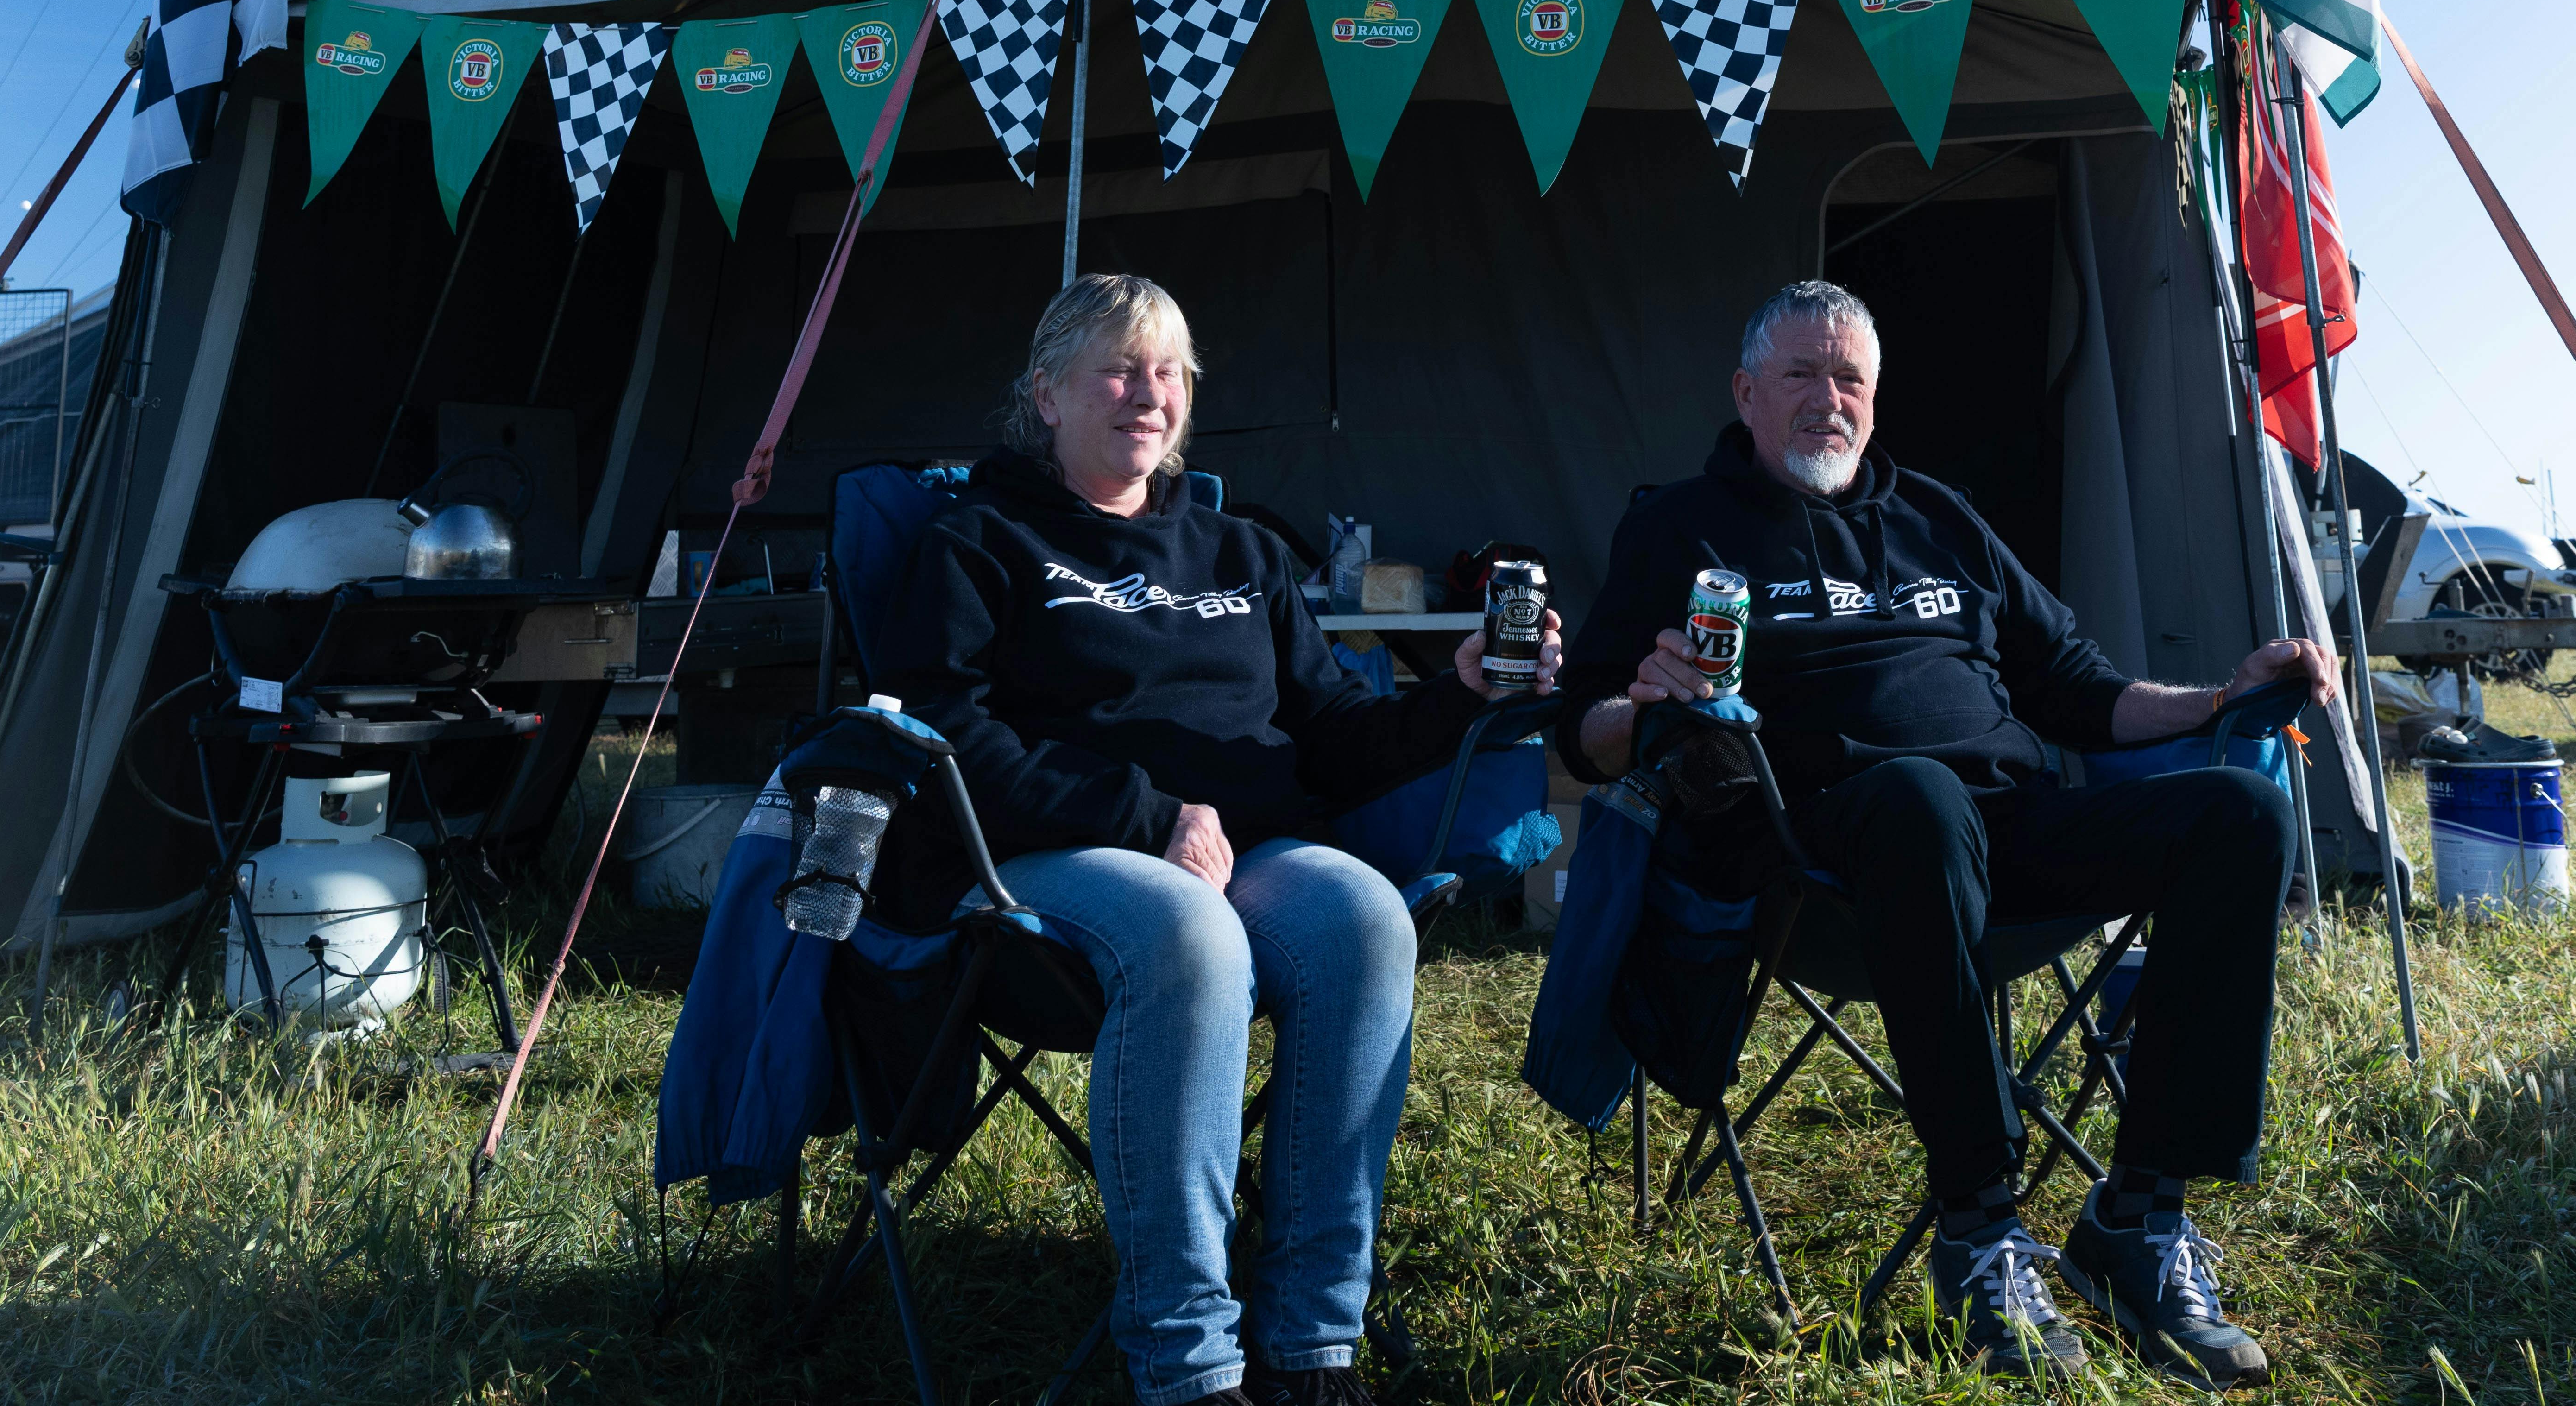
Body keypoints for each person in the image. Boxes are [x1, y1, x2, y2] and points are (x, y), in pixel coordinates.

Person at [1553, 279, 2333, 1388]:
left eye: (1849, 378)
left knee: (2241, 812)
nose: (1827, 398)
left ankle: (2138, 1218)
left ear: (1874, 398)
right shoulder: (1680, 529)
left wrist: (2218, 698)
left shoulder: (1940, 515)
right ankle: (1978, 1231)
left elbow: (2078, 688)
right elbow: (1584, 731)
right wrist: (1643, 700)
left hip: (2006, 827)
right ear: (1745, 392)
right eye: (1799, 374)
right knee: (1917, 795)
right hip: (1820, 863)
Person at [865, 274, 1561, 1406]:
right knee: (1190, 930)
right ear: (1046, 394)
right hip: (1041, 866)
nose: (1149, 393)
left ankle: (1314, 1338)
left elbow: (1334, 735)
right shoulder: (979, 541)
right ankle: (1185, 1357)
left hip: (1246, 853)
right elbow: (943, 734)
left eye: (1169, 371)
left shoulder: (1241, 551)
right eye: (1117, 369)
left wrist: (1462, 690)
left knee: (1363, 917)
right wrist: (1148, 816)